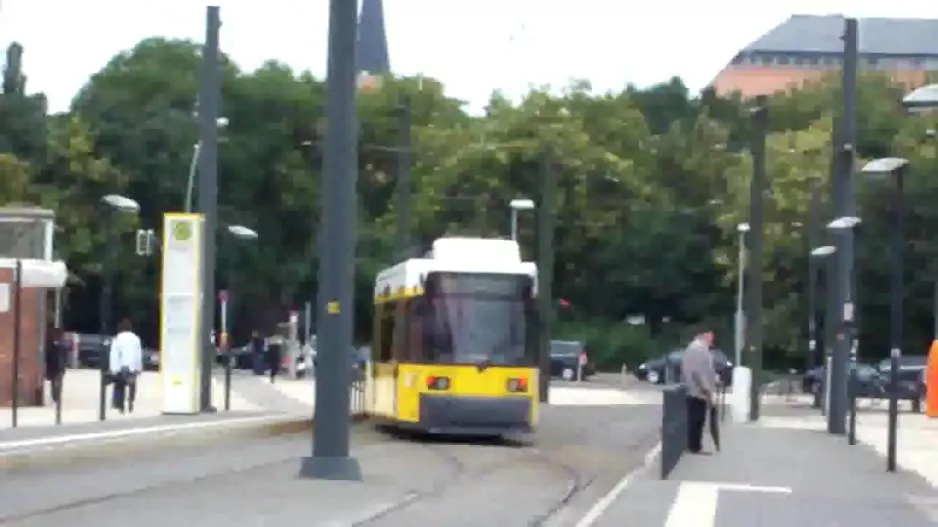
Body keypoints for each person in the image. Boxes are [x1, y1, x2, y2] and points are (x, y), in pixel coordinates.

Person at [681, 330, 717, 454]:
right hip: (697, 391)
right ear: (703, 336)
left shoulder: (696, 348)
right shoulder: (698, 349)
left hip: (696, 390)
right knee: (696, 419)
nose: (712, 340)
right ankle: (694, 447)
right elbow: (699, 372)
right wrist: (707, 389)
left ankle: (695, 445)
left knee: (696, 419)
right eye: (710, 337)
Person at [108, 318, 143, 414]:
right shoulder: (136, 338)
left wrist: (113, 369)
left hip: (121, 366)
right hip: (132, 366)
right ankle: (131, 402)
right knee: (132, 385)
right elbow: (138, 354)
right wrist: (138, 368)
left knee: (120, 385)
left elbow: (114, 354)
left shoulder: (117, 338)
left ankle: (120, 406)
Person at [45, 326, 69, 405]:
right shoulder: (52, 345)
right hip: (54, 367)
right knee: (54, 383)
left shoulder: (62, 345)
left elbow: (65, 357)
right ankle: (55, 397)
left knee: (57, 383)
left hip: (59, 367)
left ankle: (56, 397)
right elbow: (48, 357)